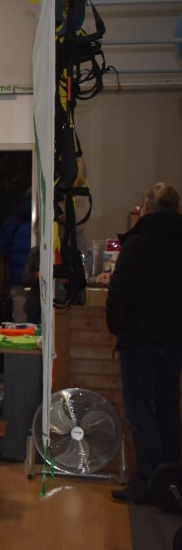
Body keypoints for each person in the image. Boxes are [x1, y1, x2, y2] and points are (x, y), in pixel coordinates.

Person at [106, 182, 182, 505]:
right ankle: (172, 478)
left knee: (139, 409)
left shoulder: (140, 242)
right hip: (175, 339)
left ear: (146, 207)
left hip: (142, 338)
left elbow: (121, 292)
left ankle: (148, 478)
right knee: (168, 406)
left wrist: (116, 326)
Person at [0, 190, 33, 323]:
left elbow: (0, 248)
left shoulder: (12, 221)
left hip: (17, 277)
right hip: (37, 277)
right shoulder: (44, 220)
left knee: (20, 319)